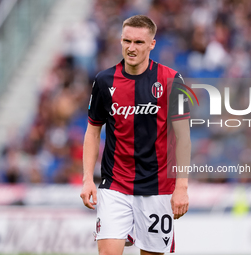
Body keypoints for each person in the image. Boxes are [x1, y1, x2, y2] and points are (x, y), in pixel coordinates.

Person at [80, 15, 191, 255]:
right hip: (115, 184)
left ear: (152, 44)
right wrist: (88, 178)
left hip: (158, 186)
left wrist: (182, 186)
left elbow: (183, 138)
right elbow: (92, 130)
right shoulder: (103, 81)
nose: (131, 48)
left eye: (139, 42)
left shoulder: (173, 80)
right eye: (126, 41)